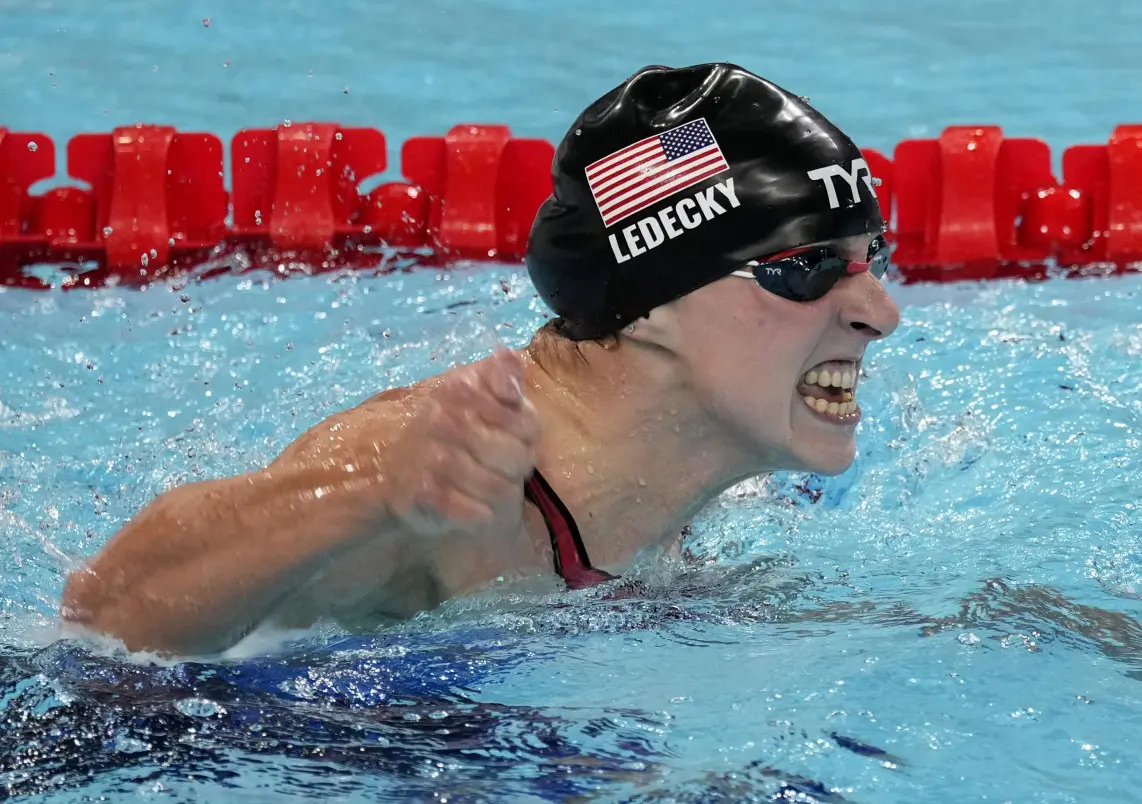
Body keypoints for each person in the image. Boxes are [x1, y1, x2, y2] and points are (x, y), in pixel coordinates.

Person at [59, 62, 901, 657]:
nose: (879, 313)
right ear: (650, 306)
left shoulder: (670, 475)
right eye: (807, 266)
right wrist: (365, 497)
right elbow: (107, 618)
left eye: (875, 257)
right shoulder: (446, 494)